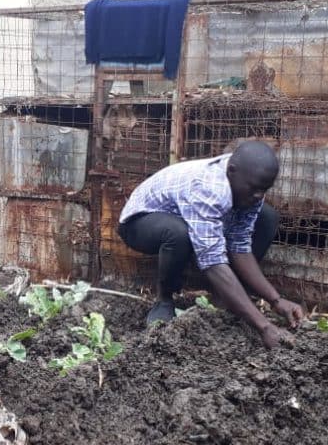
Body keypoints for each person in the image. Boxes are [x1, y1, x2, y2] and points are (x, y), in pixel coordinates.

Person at [117, 141, 304, 348]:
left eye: (264, 189)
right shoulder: (208, 189)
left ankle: (226, 299)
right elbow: (212, 262)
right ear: (231, 171)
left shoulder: (250, 186)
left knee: (267, 217)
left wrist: (276, 300)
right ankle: (164, 299)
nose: (258, 195)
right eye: (253, 189)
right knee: (178, 233)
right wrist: (264, 327)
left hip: (184, 220)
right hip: (139, 223)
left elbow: (239, 245)